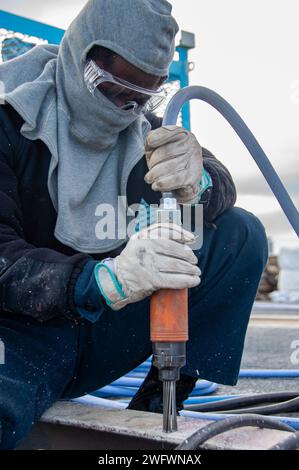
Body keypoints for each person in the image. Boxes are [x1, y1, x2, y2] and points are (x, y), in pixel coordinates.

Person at [0, 0, 268, 449]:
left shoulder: (141, 132)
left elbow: (222, 193)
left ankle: (158, 412)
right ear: (78, 56)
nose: (127, 109)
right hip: (20, 333)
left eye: (144, 97)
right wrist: (101, 279)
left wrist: (199, 177)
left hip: (100, 328)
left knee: (241, 234)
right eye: (113, 89)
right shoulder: (11, 121)